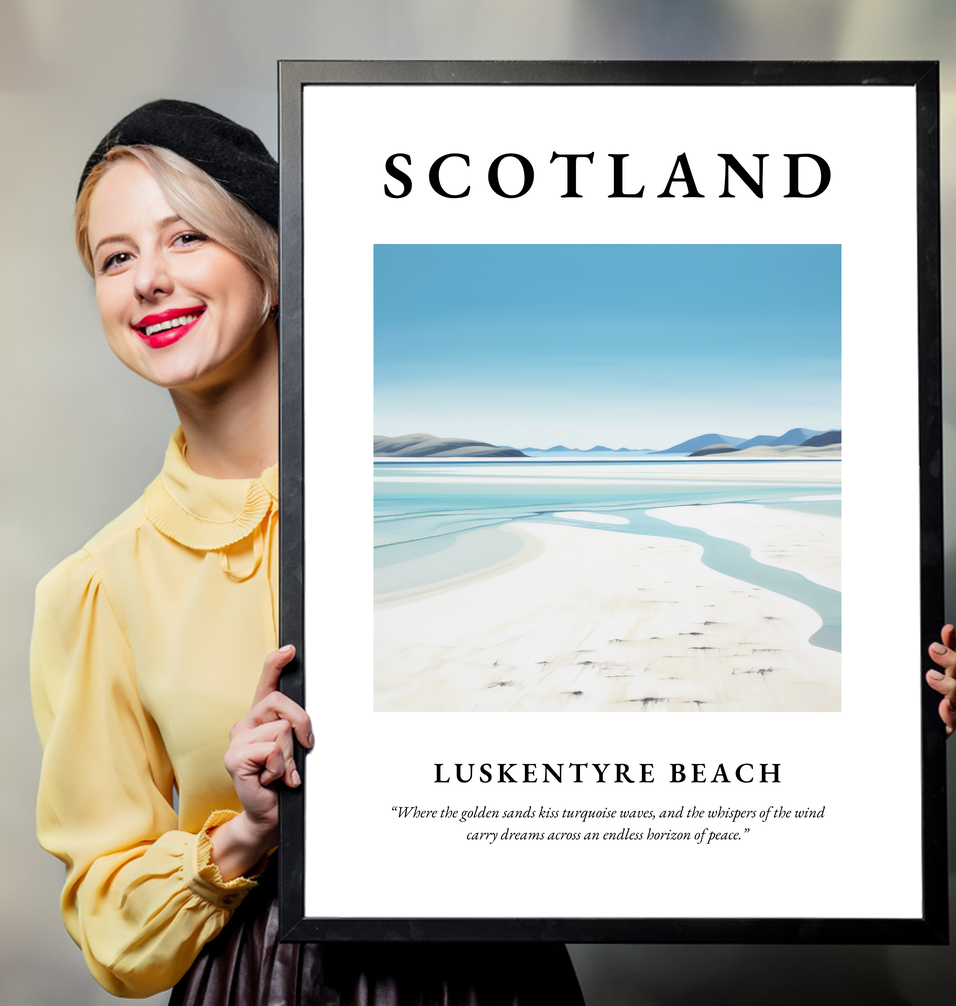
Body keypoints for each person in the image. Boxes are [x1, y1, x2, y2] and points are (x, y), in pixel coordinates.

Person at [30, 100, 585, 1004]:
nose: (148, 281)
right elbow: (110, 923)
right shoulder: (98, 587)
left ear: (274, 264)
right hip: (263, 982)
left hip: (493, 973)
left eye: (186, 239)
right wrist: (245, 832)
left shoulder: (448, 498)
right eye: (116, 257)